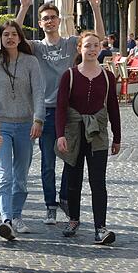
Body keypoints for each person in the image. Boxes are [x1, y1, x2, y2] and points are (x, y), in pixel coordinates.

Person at [16, 0, 105, 225]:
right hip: (45, 111)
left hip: (69, 113)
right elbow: (13, 38)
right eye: (45, 19)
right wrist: (24, 6)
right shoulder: (36, 47)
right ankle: (50, 205)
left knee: (70, 158)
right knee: (47, 162)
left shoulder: (70, 43)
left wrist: (95, 6)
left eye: (53, 17)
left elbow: (99, 39)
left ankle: (65, 197)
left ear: (59, 20)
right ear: (40, 23)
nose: (50, 21)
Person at [0, 21, 45, 239]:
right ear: (0, 38)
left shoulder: (31, 62)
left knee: (21, 177)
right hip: (1, 126)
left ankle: (17, 216)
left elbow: (38, 93)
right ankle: (5, 219)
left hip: (26, 125)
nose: (10, 38)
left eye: (14, 34)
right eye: (6, 34)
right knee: (4, 174)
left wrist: (38, 119)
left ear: (20, 38)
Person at [55, 32, 121, 244]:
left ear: (100, 49)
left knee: (98, 182)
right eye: (87, 46)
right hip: (74, 133)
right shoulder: (70, 75)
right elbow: (61, 108)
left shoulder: (108, 77)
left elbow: (113, 107)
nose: (92, 49)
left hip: (98, 134)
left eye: (95, 46)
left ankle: (100, 227)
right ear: (79, 49)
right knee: (73, 180)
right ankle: (73, 219)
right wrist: (60, 135)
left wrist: (117, 137)